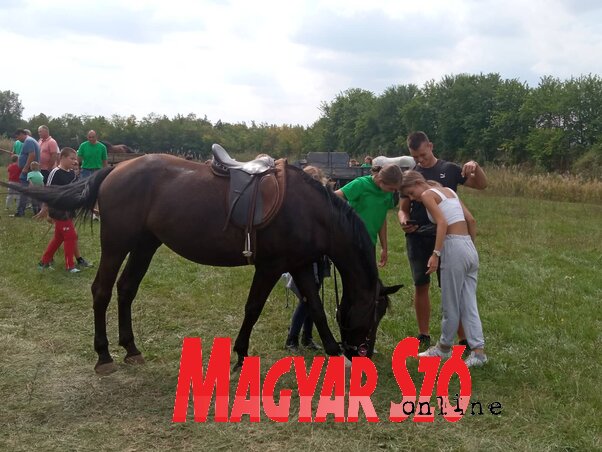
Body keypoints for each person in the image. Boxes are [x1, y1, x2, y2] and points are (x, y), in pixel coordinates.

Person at [398, 131, 487, 350]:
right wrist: (404, 220)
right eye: (414, 157)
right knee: (422, 285)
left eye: (421, 154)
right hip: (420, 238)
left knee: (452, 294)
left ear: (430, 145)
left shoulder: (448, 171)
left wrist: (476, 166)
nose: (419, 160)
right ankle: (425, 334)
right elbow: (402, 209)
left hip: (446, 239)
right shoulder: (411, 176)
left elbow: (481, 185)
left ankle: (458, 341)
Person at [284, 166, 329, 353]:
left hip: (318, 256)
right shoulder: (295, 201)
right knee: (307, 299)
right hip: (302, 256)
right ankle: (292, 338)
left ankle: (306, 337)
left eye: (315, 179)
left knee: (313, 299)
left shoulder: (324, 199)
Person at [36, 148, 92, 273]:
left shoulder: (72, 173)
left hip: (69, 210)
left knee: (58, 237)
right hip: (58, 210)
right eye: (71, 158)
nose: (74, 161)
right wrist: (45, 209)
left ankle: (43, 262)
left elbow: (76, 191)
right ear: (62, 158)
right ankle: (70, 266)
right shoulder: (55, 172)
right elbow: (48, 191)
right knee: (71, 235)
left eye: (75, 159)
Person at [335, 163, 402, 267]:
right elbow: (334, 196)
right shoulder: (360, 184)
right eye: (391, 188)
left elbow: (381, 218)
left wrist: (384, 247)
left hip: (370, 241)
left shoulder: (387, 192)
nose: (393, 192)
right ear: (380, 181)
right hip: (352, 241)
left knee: (368, 278)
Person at [13, 129, 41, 217]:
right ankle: (37, 211)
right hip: (31, 170)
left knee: (24, 191)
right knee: (34, 191)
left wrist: (25, 167)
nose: (17, 139)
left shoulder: (28, 141)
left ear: (21, 134)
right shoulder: (31, 140)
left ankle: (20, 212)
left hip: (28, 171)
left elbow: (31, 155)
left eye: (17, 137)